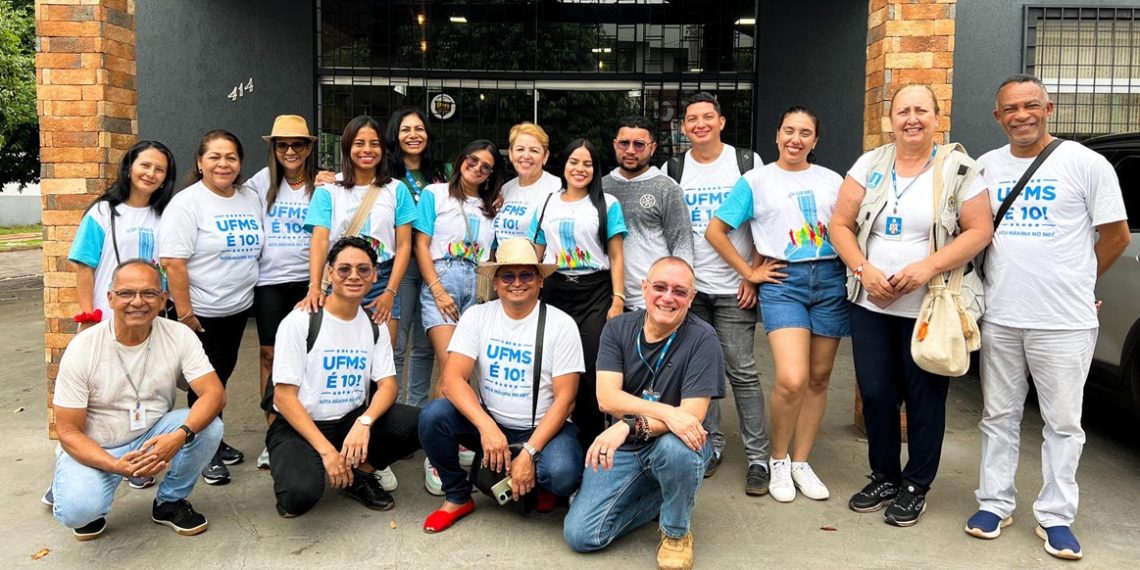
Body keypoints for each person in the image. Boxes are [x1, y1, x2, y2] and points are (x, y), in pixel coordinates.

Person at [966, 75, 1130, 559]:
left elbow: (1116, 236)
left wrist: (1080, 284)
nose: (1022, 115)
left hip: (1064, 321)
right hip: (1001, 313)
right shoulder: (983, 168)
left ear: (1049, 107)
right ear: (997, 117)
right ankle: (994, 504)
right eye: (1011, 108)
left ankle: (1056, 516)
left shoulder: (1086, 163)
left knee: (1063, 422)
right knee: (999, 415)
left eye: (1031, 105)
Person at [829, 84, 993, 526]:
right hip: (872, 303)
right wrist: (864, 270)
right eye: (903, 111)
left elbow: (979, 231)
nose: (911, 118)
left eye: (921, 110)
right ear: (891, 118)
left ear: (937, 118)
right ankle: (884, 475)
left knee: (924, 400)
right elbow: (840, 225)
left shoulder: (960, 169)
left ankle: (916, 484)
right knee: (878, 394)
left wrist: (924, 269)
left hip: (930, 306)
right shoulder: (871, 164)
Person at [707, 105, 848, 503]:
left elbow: (848, 227)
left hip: (830, 279)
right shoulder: (756, 180)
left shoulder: (832, 180)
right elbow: (716, 231)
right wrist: (748, 273)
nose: (795, 139)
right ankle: (779, 459)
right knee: (791, 378)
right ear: (777, 134)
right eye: (789, 130)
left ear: (815, 141)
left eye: (805, 133)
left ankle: (802, 461)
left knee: (819, 378)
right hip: (784, 282)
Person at [563, 257, 724, 570]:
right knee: (581, 536)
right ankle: (664, 498)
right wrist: (666, 412)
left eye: (679, 291)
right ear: (644, 288)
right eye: (660, 287)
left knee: (677, 449)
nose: (667, 297)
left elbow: (690, 417)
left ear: (691, 298)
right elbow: (607, 398)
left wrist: (626, 427)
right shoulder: (618, 327)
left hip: (675, 443)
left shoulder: (703, 338)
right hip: (626, 450)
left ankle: (676, 531)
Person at [48, 259, 225, 540]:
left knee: (209, 425)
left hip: (152, 436)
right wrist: (117, 466)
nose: (138, 302)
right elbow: (67, 430)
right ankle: (70, 478)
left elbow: (214, 393)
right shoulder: (84, 347)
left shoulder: (178, 335)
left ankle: (169, 502)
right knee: (80, 513)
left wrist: (180, 435)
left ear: (163, 298)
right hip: (98, 443)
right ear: (110, 298)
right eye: (126, 293)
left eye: (149, 293)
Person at [418, 238, 585, 533]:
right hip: (494, 422)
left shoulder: (562, 324)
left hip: (543, 427)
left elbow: (566, 400)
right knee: (433, 416)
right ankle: (457, 496)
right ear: (495, 282)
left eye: (526, 275)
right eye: (508, 275)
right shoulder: (477, 317)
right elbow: (451, 381)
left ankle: (539, 481)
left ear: (540, 281)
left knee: (562, 473)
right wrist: (486, 427)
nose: (516, 283)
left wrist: (531, 452)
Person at [267, 236, 422, 517]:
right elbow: (283, 397)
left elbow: (388, 385)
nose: (354, 276)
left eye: (363, 269)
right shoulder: (301, 320)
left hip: (349, 422)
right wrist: (327, 452)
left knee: (420, 421)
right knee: (298, 497)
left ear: (375, 275)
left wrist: (365, 422)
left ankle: (358, 475)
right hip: (300, 426)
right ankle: (316, 464)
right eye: (344, 269)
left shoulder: (375, 326)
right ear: (329, 273)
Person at [665, 91, 771, 485]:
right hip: (691, 291)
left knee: (742, 371)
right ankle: (709, 444)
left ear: (721, 122)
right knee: (700, 375)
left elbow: (763, 220)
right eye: (692, 119)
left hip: (734, 288)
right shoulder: (673, 168)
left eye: (708, 117)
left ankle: (759, 458)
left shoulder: (746, 163)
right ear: (684, 127)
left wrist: (752, 272)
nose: (700, 125)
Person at [67, 140, 178, 490]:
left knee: (145, 387)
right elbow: (84, 264)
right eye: (145, 165)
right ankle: (78, 469)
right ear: (129, 167)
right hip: (110, 317)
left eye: (159, 169)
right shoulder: (103, 213)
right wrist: (88, 314)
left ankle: (141, 459)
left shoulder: (166, 213)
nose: (151, 174)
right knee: (103, 397)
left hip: (151, 316)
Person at [160, 129, 264, 484]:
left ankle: (213, 439)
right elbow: (173, 261)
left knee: (220, 379)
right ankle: (200, 450)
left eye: (231, 157)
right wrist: (186, 314)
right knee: (204, 386)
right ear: (200, 162)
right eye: (215, 157)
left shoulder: (248, 196)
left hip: (235, 309)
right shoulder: (187, 203)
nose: (223, 164)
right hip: (200, 314)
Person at [413, 139, 504, 494]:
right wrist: (436, 289)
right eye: (473, 160)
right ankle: (437, 455)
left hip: (479, 283)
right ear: (460, 159)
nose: (478, 168)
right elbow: (421, 244)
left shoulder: (489, 206)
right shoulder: (434, 194)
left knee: (470, 369)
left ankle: (456, 433)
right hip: (444, 280)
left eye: (486, 166)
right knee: (450, 366)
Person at [528, 138, 627, 447]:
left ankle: (591, 442)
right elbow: (536, 252)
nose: (580, 169)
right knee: (549, 364)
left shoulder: (607, 204)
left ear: (596, 169)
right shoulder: (548, 202)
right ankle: (552, 437)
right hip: (555, 289)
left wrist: (618, 299)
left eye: (587, 163)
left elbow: (617, 256)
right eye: (574, 162)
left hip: (595, 292)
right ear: (564, 165)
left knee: (590, 369)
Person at [245, 115, 319, 470]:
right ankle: (274, 431)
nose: (290, 150)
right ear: (273, 148)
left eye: (298, 144)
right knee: (270, 356)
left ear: (308, 148)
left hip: (310, 281)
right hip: (270, 282)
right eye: (282, 144)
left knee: (309, 357)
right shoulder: (259, 183)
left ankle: (306, 427)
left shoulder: (321, 185)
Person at [385, 107, 448, 408]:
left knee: (424, 346)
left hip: (435, 263)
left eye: (419, 129)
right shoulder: (386, 172)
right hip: (403, 263)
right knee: (397, 343)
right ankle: (393, 410)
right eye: (406, 129)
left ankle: (417, 411)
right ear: (395, 135)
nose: (413, 135)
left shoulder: (441, 172)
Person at [602, 115, 694, 308]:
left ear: (652, 147)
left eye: (639, 144)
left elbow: (682, 245)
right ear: (614, 144)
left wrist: (677, 294)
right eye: (624, 143)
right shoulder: (600, 187)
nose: (630, 150)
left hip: (653, 300)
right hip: (605, 298)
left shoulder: (667, 188)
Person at [493, 121, 562, 243]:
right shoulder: (505, 189)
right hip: (502, 260)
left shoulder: (556, 187)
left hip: (536, 261)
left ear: (545, 156)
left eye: (534, 151)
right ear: (511, 153)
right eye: (520, 149)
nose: (526, 156)